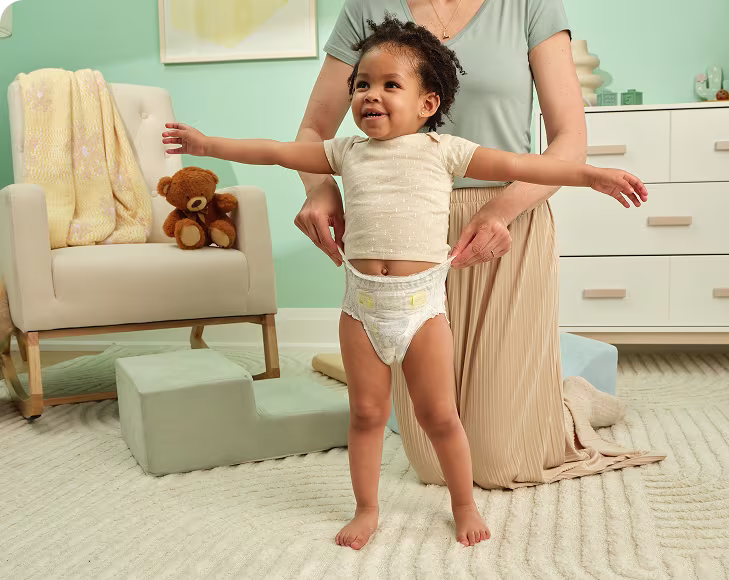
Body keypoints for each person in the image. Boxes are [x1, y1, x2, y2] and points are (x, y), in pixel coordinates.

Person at [162, 16, 648, 550]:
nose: (371, 94)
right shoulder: (344, 153)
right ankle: (366, 509)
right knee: (368, 413)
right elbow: (277, 151)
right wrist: (208, 144)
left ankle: (463, 504)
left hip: (421, 310)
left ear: (428, 104)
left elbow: (522, 162)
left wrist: (592, 175)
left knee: (440, 414)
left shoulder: (447, 152)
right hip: (360, 307)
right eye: (362, 84)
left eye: (391, 85)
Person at [294, 0, 664, 498]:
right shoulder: (365, 7)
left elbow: (569, 141)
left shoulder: (530, 6)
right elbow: (313, 132)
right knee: (431, 463)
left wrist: (498, 212)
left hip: (505, 219)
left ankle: (572, 399)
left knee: (500, 461)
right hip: (406, 231)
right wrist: (321, 190)